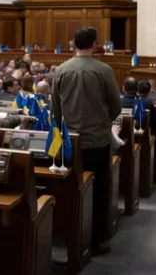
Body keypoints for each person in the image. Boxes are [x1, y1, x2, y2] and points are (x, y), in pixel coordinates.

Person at [51, 27, 121, 255]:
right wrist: (104, 121)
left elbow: (55, 109)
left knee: (71, 188)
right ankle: (97, 239)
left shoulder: (61, 70)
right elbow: (116, 105)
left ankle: (69, 234)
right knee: (99, 190)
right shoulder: (104, 70)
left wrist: (61, 133)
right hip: (97, 140)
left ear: (73, 44)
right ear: (94, 44)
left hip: (70, 141)